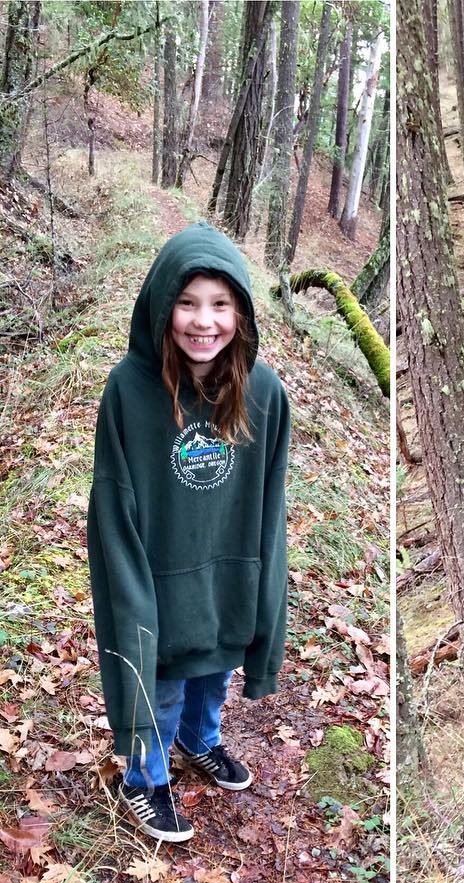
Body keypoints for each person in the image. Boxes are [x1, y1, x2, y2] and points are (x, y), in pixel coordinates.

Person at [88, 222, 290, 843]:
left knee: (215, 671)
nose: (204, 321)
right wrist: (131, 594)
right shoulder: (129, 390)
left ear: (242, 312)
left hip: (227, 578)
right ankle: (144, 780)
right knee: (166, 681)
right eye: (188, 302)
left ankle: (202, 744)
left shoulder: (262, 391)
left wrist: (264, 592)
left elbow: (270, 502)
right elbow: (113, 505)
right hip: (158, 577)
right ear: (161, 305)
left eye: (221, 304)